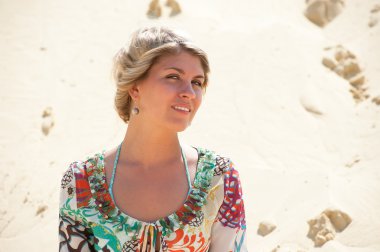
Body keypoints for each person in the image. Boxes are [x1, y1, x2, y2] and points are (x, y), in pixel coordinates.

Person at [59, 26, 247, 252]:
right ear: (135, 88)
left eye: (197, 82)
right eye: (173, 77)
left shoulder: (218, 177)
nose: (189, 92)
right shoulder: (82, 180)